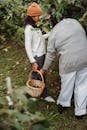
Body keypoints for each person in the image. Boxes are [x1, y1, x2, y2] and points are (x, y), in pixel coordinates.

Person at [40, 17, 87, 119]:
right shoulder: (76, 23)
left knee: (67, 83)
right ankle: (80, 112)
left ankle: (63, 104)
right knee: (82, 84)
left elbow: (50, 54)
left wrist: (44, 68)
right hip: (85, 58)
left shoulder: (55, 31)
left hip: (68, 62)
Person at [24, 2, 55, 102]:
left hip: (42, 55)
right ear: (32, 16)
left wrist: (51, 34)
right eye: (38, 15)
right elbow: (27, 46)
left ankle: (37, 93)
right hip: (36, 56)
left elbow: (40, 38)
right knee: (37, 75)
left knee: (41, 75)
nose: (39, 17)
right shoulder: (29, 29)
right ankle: (36, 94)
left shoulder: (35, 27)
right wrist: (33, 61)